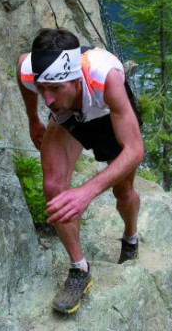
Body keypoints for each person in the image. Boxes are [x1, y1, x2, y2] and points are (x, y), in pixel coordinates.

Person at [16, 28, 144, 314]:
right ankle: (79, 270)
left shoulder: (105, 76)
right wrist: (33, 119)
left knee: (123, 191)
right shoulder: (31, 70)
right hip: (69, 120)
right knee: (54, 189)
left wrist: (86, 192)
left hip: (107, 115)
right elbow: (21, 67)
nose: (46, 98)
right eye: (41, 89)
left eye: (56, 88)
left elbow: (135, 150)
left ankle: (130, 237)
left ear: (76, 79)